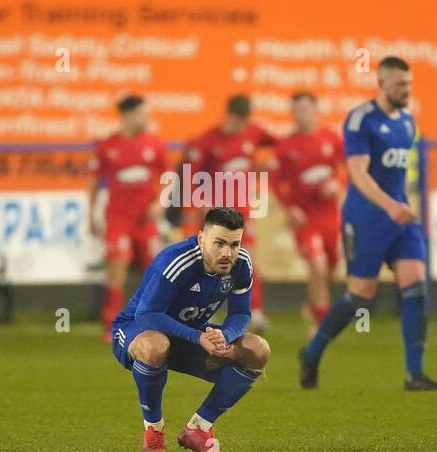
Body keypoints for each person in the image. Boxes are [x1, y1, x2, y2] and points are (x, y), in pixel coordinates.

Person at [298, 57, 437, 392]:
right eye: (399, 85)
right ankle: (311, 353)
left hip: (400, 218)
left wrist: (401, 206)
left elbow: (396, 174)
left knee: (415, 286)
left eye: (409, 84)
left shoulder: (408, 122)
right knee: (359, 297)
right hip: (366, 218)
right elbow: (357, 172)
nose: (406, 90)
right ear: (381, 84)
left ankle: (415, 374)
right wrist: (389, 205)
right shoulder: (361, 120)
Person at [110, 207, 269, 452]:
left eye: (234, 244)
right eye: (219, 243)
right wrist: (197, 337)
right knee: (155, 346)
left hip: (190, 335)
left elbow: (240, 314)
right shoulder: (177, 261)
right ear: (201, 239)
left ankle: (198, 428)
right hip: (136, 330)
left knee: (257, 350)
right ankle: (153, 431)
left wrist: (224, 338)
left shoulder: (242, 264)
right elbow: (147, 314)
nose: (227, 253)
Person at [184, 95, 275, 331]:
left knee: (249, 260)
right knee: (208, 264)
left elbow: (280, 145)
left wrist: (269, 166)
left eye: (245, 122)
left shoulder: (253, 133)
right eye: (237, 121)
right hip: (217, 215)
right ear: (228, 115)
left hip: (243, 212)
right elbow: (191, 176)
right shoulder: (208, 140)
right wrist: (198, 202)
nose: (241, 127)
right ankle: (195, 312)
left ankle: (254, 311)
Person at [89, 95, 168, 340]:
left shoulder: (154, 144)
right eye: (142, 114)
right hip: (119, 218)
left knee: (157, 271)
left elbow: (169, 178)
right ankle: (110, 325)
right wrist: (90, 214)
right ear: (127, 116)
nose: (147, 119)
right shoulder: (108, 146)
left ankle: (157, 323)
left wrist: (161, 203)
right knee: (117, 268)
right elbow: (93, 181)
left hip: (146, 220)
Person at [270, 92, 345, 336]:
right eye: (296, 109)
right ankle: (319, 322)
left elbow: (348, 168)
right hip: (305, 218)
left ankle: (313, 306)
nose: (299, 114)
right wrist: (289, 207)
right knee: (317, 264)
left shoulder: (331, 139)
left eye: (304, 108)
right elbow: (275, 181)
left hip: (330, 216)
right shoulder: (286, 146)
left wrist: (338, 183)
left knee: (332, 264)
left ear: (315, 110)